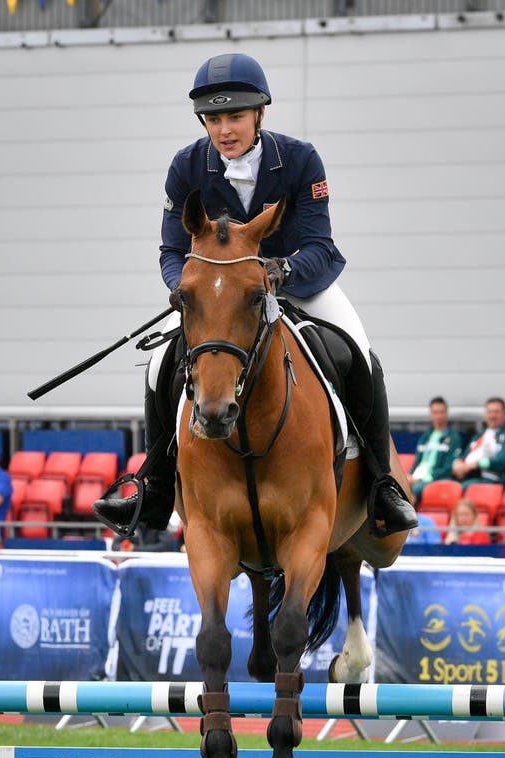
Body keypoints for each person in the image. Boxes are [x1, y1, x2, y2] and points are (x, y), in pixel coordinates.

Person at [95, 52, 417, 540]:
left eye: (236, 116)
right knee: (162, 360)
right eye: (214, 119)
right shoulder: (185, 167)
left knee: (360, 353)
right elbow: (172, 249)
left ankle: (381, 484)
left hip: (298, 283)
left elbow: (318, 244)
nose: (225, 129)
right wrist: (182, 291)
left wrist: (279, 272)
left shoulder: (301, 159)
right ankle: (156, 486)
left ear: (260, 114)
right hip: (220, 300)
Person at [451, 397, 505, 488]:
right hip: (467, 477)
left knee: (460, 489)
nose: (492, 416)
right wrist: (458, 464)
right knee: (444, 487)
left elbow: (504, 461)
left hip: (492, 480)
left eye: (496, 412)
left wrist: (476, 465)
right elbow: (464, 455)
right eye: (489, 412)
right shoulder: (480, 434)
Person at [408, 397, 464, 503]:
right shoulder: (426, 436)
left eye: (441, 412)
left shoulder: (454, 438)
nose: (438, 416)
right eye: (435, 412)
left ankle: (412, 517)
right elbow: (417, 461)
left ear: (446, 413)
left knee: (416, 489)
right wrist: (410, 475)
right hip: (418, 476)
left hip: (434, 478)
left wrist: (427, 478)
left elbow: (449, 467)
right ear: (431, 414)